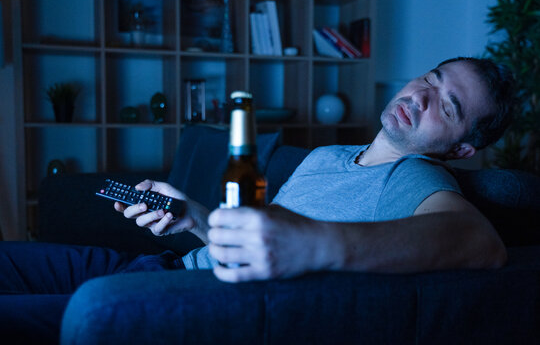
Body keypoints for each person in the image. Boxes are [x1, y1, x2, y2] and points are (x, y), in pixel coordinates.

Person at [0, 56, 516, 343]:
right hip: (158, 262)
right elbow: (254, 236)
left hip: (178, 295)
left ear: (461, 147)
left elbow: (477, 240)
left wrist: (315, 244)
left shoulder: (414, 177)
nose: (421, 97)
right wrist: (193, 217)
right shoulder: (328, 154)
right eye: (430, 78)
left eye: (446, 107)